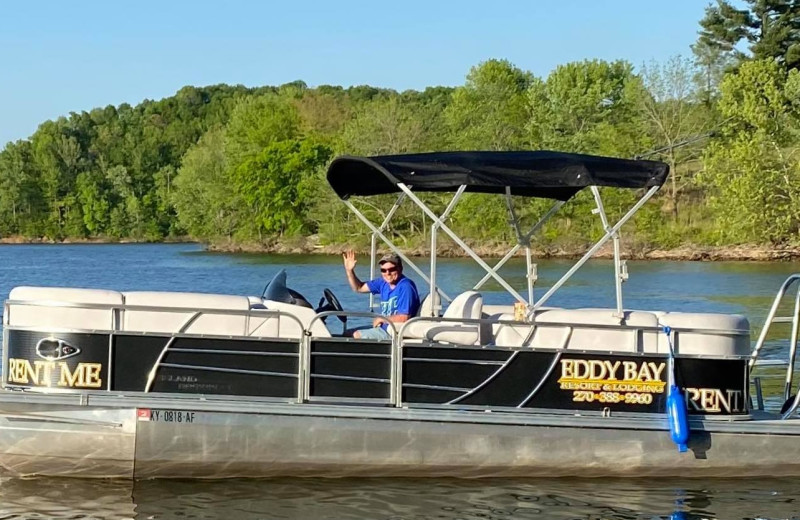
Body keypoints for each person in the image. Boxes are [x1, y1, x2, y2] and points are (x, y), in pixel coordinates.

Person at [342, 250, 420, 340]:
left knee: (355, 335)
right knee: (347, 333)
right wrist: (349, 271)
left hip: (395, 332)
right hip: (384, 328)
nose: (387, 273)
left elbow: (404, 318)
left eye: (392, 269)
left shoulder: (406, 286)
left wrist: (382, 319)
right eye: (383, 270)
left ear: (400, 268)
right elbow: (359, 287)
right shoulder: (382, 282)